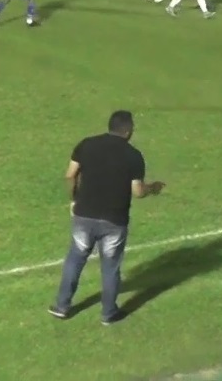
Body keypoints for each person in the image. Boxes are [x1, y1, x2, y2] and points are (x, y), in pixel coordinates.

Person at [50, 110, 164, 324]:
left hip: (84, 216)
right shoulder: (133, 155)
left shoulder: (86, 145)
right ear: (128, 131)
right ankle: (108, 313)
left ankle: (62, 306)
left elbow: (70, 175)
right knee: (110, 267)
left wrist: (74, 200)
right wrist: (153, 188)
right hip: (114, 221)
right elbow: (138, 192)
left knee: (75, 259)